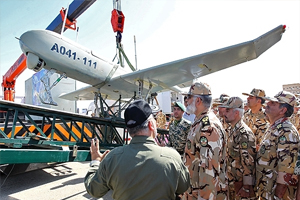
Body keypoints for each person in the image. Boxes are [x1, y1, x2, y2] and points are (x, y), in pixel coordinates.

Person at [84, 100, 190, 200]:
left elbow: (94, 190)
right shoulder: (172, 157)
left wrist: (95, 162)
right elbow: (183, 186)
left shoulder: (112, 158)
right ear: (151, 125)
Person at [182, 82, 227, 200]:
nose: (186, 101)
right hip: (194, 191)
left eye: (189, 97)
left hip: (203, 195)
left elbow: (209, 171)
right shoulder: (200, 122)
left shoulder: (208, 127)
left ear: (198, 101)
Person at [256, 91, 299, 200]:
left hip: (275, 192)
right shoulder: (274, 127)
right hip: (266, 188)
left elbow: (287, 167)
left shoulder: (286, 131)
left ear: (283, 110)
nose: (268, 104)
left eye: (273, 103)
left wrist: (278, 194)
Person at [221, 97, 256, 199]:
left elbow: (249, 162)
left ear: (236, 113)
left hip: (241, 187)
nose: (224, 113)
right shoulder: (232, 130)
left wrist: (246, 187)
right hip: (232, 183)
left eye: (228, 110)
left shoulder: (244, 133)